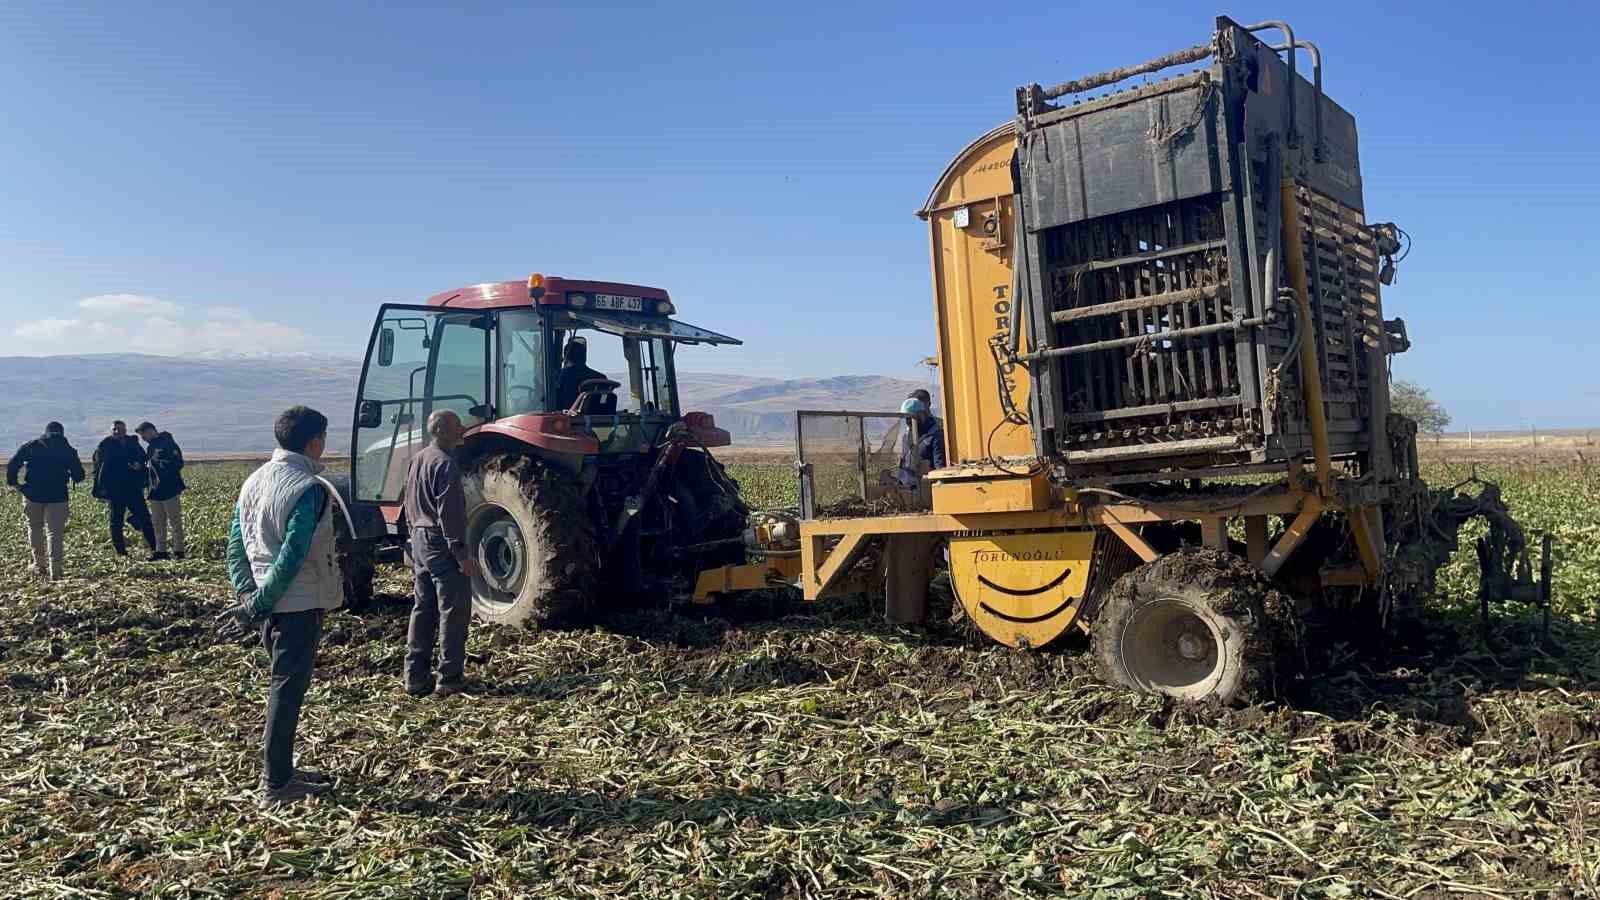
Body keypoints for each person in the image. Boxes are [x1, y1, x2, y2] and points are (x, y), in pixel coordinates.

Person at [216, 406, 346, 804]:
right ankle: (276, 784)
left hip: (268, 603)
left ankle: (282, 769)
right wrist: (256, 604)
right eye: (323, 437)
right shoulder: (307, 489)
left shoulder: (253, 481)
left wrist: (248, 597)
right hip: (297, 604)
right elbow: (293, 555)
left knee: (282, 687)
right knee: (286, 692)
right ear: (314, 441)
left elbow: (236, 545)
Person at [403, 409, 480, 697]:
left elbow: (409, 501)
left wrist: (414, 537)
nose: (463, 429)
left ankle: (415, 677)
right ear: (442, 431)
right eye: (457, 425)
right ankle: (449, 680)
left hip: (420, 540)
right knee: (453, 611)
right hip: (441, 543)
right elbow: (451, 514)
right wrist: (461, 553)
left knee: (422, 609)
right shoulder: (445, 464)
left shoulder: (419, 459)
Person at [6, 421, 86, 580]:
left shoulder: (32, 445)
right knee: (54, 533)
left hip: (32, 494)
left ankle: (39, 565)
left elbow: (12, 465)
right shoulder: (68, 450)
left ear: (45, 431)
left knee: (35, 528)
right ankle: (55, 570)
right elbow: (80, 475)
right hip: (58, 496)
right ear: (62, 433)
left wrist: (15, 484)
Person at [92, 420, 158, 558]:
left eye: (120, 429)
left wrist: (139, 466)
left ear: (125, 430)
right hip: (114, 490)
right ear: (111, 431)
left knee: (145, 519)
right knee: (116, 522)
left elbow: (143, 459)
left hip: (132, 487)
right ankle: (121, 552)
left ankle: (155, 548)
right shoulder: (105, 445)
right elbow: (97, 468)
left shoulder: (132, 443)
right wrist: (101, 489)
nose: (117, 432)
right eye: (114, 429)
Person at [136, 422, 187, 560]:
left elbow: (177, 463)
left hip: (170, 489)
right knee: (158, 523)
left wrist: (157, 466)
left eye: (143, 435)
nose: (143, 439)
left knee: (174, 522)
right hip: (155, 491)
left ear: (151, 430)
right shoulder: (151, 447)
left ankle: (178, 552)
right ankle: (161, 551)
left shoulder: (168, 443)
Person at [896, 396, 946, 487]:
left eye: (911, 418)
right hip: (906, 490)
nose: (908, 422)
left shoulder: (936, 436)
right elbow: (903, 464)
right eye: (906, 418)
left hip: (926, 490)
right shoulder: (906, 436)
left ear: (922, 414)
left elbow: (940, 470)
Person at [554, 336, 607, 410]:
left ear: (566, 357)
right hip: (600, 420)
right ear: (584, 357)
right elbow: (603, 404)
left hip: (567, 419)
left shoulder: (560, 376)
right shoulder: (602, 379)